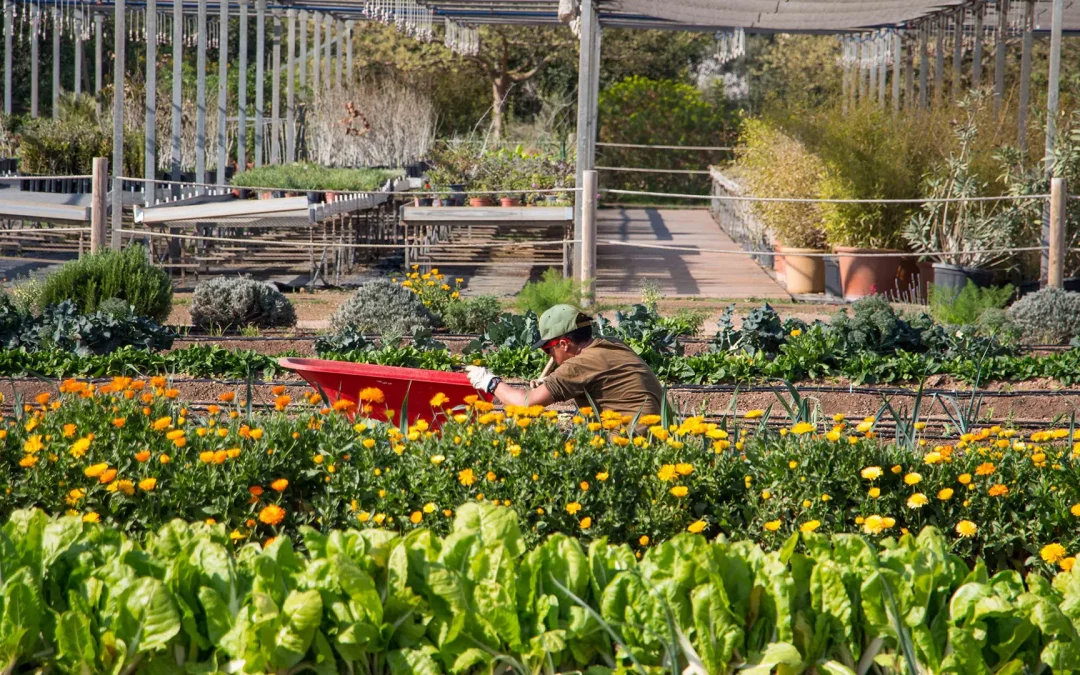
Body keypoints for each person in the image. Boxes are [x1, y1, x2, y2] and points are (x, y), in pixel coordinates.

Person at [465, 304, 665, 416]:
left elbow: (525, 404)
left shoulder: (580, 365)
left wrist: (489, 381)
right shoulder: (612, 344)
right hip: (657, 437)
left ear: (563, 344)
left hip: (627, 444)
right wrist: (554, 380)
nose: (549, 356)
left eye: (547, 349)